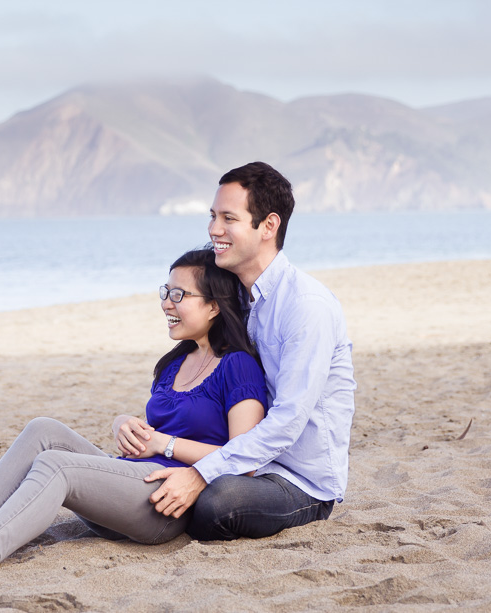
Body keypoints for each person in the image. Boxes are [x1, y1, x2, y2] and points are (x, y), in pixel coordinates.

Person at [0, 247, 267, 578]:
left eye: (179, 294)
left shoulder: (238, 366)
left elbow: (245, 461)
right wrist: (124, 424)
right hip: (129, 481)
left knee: (56, 465)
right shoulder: (175, 363)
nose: (166, 302)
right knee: (42, 429)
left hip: (163, 504)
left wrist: (163, 444)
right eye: (165, 291)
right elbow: (156, 433)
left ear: (212, 306)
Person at [143, 161, 357, 541]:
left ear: (268, 226)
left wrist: (200, 472)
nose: (214, 229)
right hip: (239, 459)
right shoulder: (231, 297)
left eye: (229, 218)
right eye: (212, 216)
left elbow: (287, 423)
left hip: (298, 479)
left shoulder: (306, 307)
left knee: (217, 502)